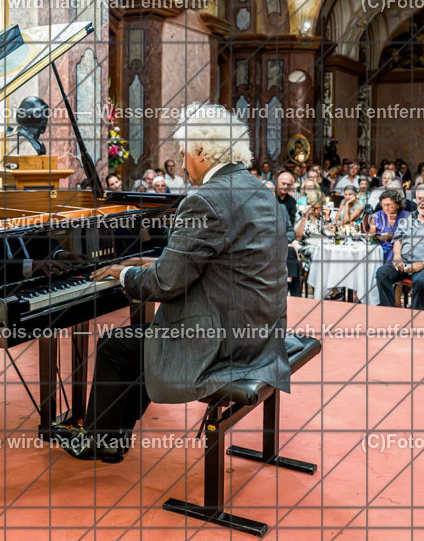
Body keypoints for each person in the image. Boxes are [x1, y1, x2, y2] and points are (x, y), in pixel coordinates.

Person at [61, 102, 290, 462]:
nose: (183, 163)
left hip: (220, 345)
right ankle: (112, 437)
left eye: (184, 153)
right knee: (140, 342)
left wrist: (123, 273)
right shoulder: (259, 191)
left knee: (115, 346)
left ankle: (98, 439)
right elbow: (215, 261)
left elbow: (166, 284)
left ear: (202, 150)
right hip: (261, 332)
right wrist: (149, 262)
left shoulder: (206, 199)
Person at [375, 185, 424, 310]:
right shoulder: (408, 218)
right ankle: (388, 311)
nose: (422, 203)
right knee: (382, 273)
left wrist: (422, 263)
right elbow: (397, 241)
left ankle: (417, 317)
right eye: (419, 198)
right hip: (405, 262)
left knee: (421, 280)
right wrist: (397, 257)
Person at [370, 189, 411, 263]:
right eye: (383, 205)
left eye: (389, 205)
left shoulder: (407, 216)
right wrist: (379, 237)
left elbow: (411, 237)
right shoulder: (376, 216)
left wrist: (392, 237)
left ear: (398, 205)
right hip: (380, 249)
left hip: (401, 249)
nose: (385, 208)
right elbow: (372, 236)